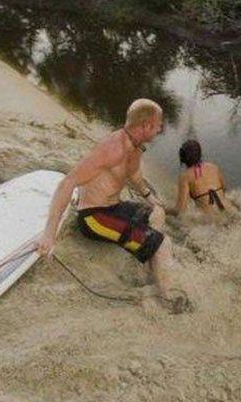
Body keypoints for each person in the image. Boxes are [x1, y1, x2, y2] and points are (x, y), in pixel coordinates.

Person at [38, 98, 188, 310]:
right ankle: (169, 300)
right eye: (158, 125)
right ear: (145, 126)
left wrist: (151, 198)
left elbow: (134, 175)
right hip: (94, 217)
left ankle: (150, 260)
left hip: (113, 207)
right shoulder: (112, 148)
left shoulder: (135, 146)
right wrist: (49, 234)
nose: (161, 129)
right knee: (164, 245)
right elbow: (67, 182)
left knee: (157, 214)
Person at [167, 139, 236, 217]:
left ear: (183, 158)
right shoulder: (214, 167)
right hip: (230, 210)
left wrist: (164, 209)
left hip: (212, 221)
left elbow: (180, 210)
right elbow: (224, 190)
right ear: (200, 153)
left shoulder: (185, 177)